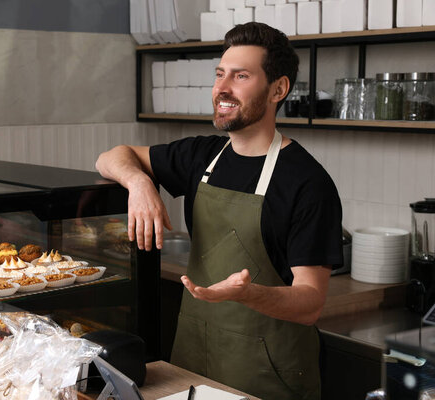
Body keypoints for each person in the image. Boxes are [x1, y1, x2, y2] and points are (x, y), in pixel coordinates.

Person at [96, 22, 342, 400]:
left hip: (269, 379)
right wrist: (140, 184)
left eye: (240, 76)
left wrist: (248, 294)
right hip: (194, 368)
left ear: (278, 89)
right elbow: (111, 157)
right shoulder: (201, 155)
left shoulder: (308, 182)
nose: (221, 89)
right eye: (219, 74)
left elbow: (310, 301)